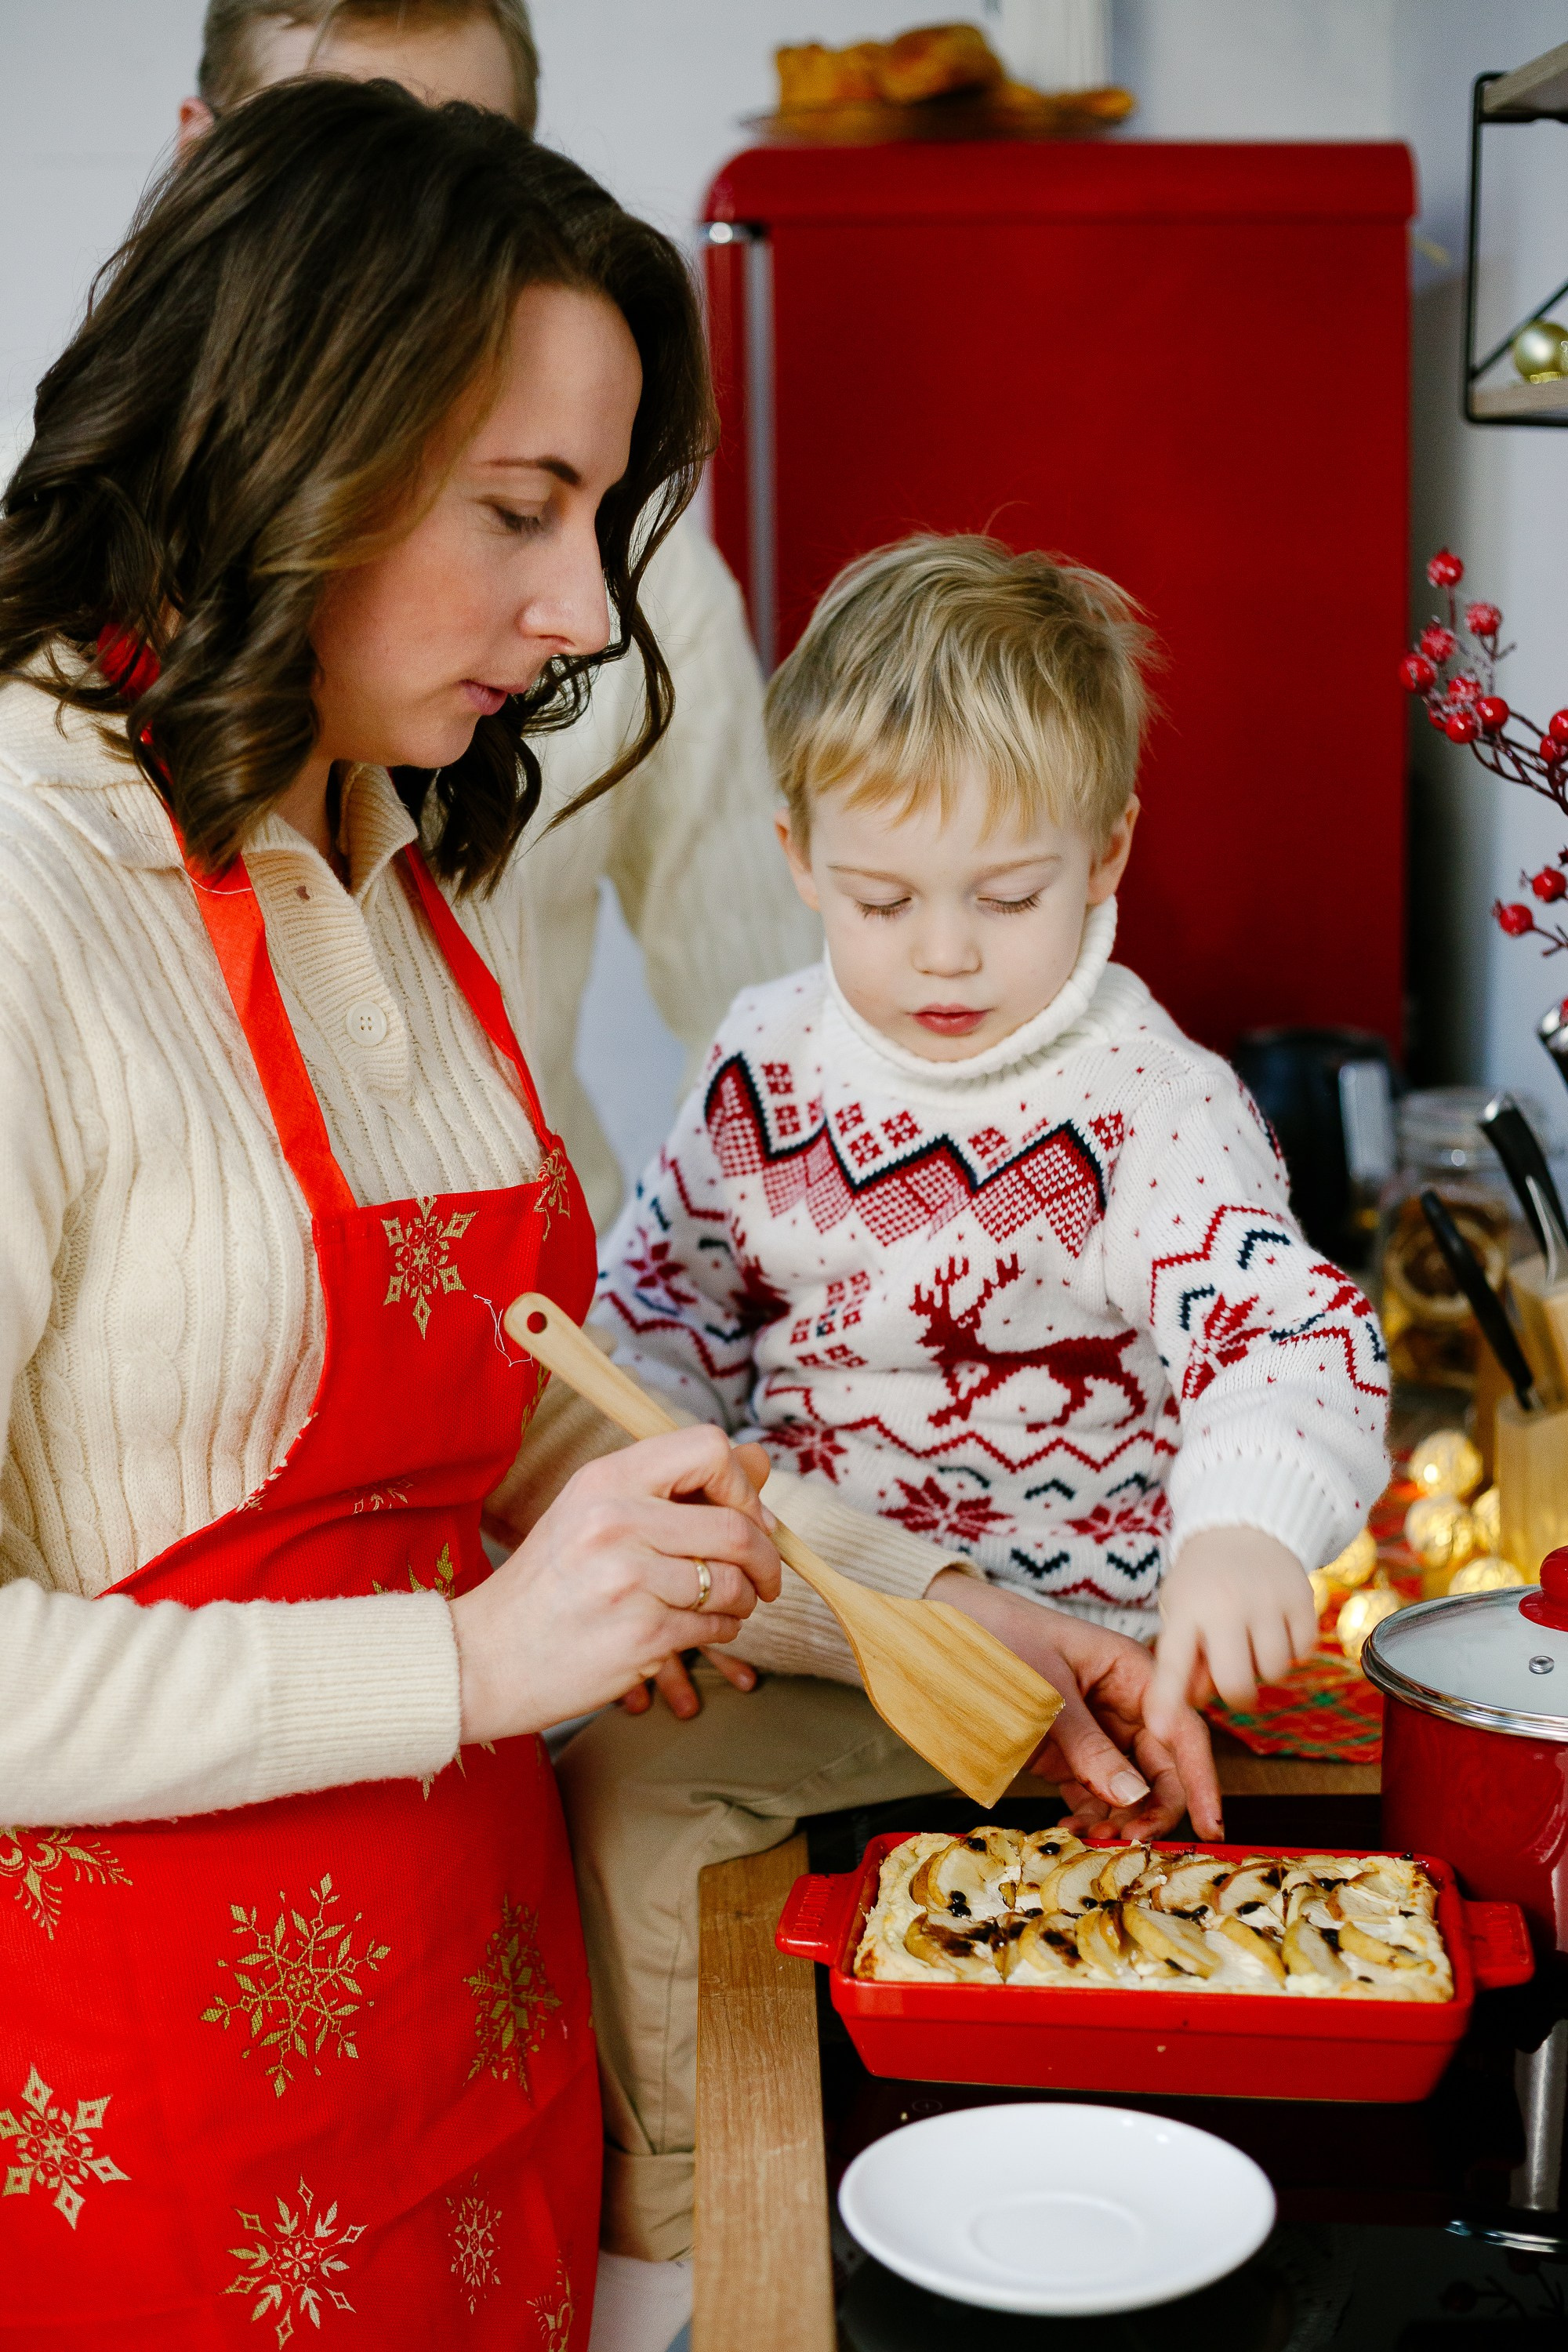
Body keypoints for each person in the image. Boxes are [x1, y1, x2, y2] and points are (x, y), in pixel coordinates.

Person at [0, 78, 1222, 2350]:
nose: (581, 616)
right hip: (130, 2121)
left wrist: (947, 1620)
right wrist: (467, 1661)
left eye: (603, 517)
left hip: (471, 2033)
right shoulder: (24, 890)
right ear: (275, 442)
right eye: (521, 512)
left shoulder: (385, 853)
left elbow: (549, 1431)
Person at [572, 535, 1388, 2263]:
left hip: (1088, 1652)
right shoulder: (762, 1068)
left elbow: (1284, 1332)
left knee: (1142, 1913)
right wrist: (663, 1547)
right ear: (796, 858)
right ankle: (694, 2232)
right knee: (622, 1795)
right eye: (882, 901)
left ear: (1106, 856)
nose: (943, 956)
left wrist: (1242, 1529)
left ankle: (1118, 2218)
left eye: (1009, 899)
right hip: (832, 1629)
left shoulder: (1148, 1106)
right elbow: (651, 1337)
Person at [178, 0, 818, 1230]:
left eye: (468, 173)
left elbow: (772, 1022)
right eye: (347, 187)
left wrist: (680, 1336)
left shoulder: (643, 588)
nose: (418, 261)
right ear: (210, 176)